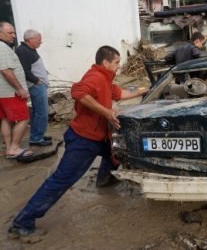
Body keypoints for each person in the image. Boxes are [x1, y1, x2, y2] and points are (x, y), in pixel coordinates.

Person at [8, 46, 148, 239]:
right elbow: (79, 92)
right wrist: (106, 112)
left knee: (114, 155)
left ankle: (104, 182)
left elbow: (119, 93)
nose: (119, 66)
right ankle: (22, 222)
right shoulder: (95, 77)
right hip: (84, 139)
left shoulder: (106, 79)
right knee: (62, 179)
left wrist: (145, 90)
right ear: (106, 62)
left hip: (100, 136)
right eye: (117, 62)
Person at [0, 22, 33, 160]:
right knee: (23, 118)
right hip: (11, 92)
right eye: (10, 33)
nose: (14, 35)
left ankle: (9, 148)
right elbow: (6, 71)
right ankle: (14, 148)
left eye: (14, 32)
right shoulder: (2, 47)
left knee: (5, 119)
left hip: (3, 93)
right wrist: (20, 89)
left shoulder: (4, 47)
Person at [16, 29, 52, 146]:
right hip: (36, 86)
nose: (40, 42)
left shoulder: (29, 50)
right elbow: (24, 71)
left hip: (38, 86)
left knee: (38, 112)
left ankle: (37, 136)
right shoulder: (23, 51)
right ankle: (36, 138)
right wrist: (37, 81)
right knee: (41, 112)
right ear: (30, 39)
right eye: (39, 39)